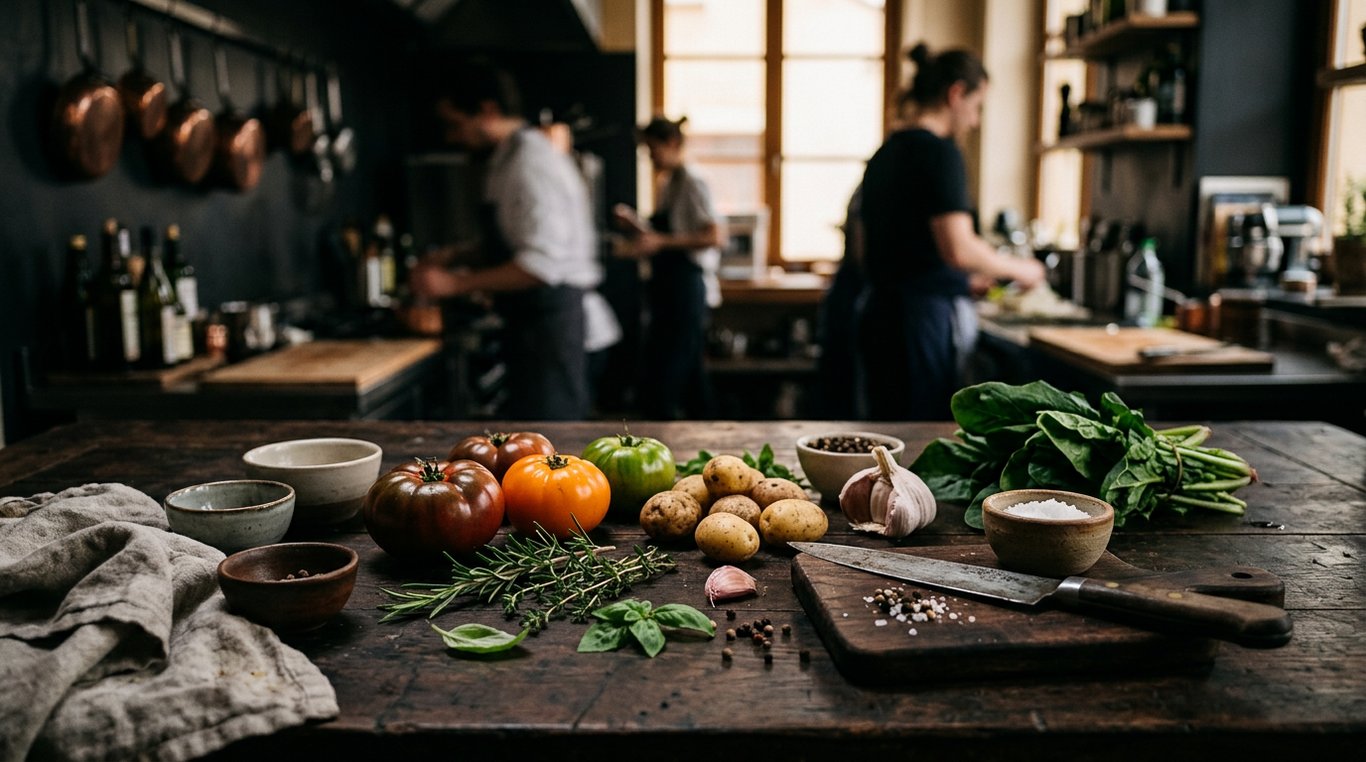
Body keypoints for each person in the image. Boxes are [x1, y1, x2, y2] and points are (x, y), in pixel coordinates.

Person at [857, 43, 1045, 421]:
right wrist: (1023, 269)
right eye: (976, 107)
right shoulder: (940, 153)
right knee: (920, 436)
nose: (974, 122)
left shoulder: (886, 152)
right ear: (955, 93)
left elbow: (869, 249)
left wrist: (957, 280)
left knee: (889, 439)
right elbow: (958, 249)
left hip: (878, 314)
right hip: (919, 324)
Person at [410, 61, 603, 421]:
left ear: (487, 110)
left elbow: (540, 265)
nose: (452, 137)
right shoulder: (508, 158)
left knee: (551, 447)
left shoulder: (531, 162)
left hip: (550, 326)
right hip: (530, 324)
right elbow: (518, 241)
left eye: (456, 124)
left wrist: (453, 283)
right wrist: (456, 255)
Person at [611, 115, 722, 420]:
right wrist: (637, 226)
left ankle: (666, 432)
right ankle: (706, 429)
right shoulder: (669, 182)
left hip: (686, 285)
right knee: (688, 369)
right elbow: (664, 234)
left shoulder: (693, 181)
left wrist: (660, 242)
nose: (651, 157)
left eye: (653, 149)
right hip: (668, 285)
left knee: (672, 366)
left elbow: (713, 235)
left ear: (673, 143)